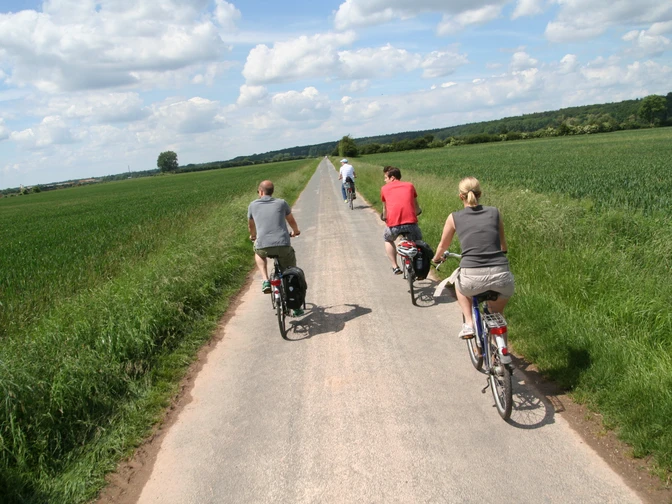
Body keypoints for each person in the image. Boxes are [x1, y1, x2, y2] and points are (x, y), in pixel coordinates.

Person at [431, 176, 514, 339]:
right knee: (498, 316)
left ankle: (469, 323)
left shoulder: (454, 217)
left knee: (459, 285)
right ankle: (502, 355)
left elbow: (443, 245)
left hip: (472, 277)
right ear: (480, 193)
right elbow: (503, 243)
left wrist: (436, 259)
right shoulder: (495, 212)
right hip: (502, 275)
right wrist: (502, 250)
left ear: (460, 196)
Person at [247, 180, 303, 315]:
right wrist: (295, 231)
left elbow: (251, 225)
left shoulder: (253, 205)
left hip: (263, 245)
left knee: (259, 253)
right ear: (272, 192)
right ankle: (295, 307)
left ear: (260, 192)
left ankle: (266, 280)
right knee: (290, 273)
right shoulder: (281, 203)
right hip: (283, 245)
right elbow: (291, 221)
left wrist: (253, 236)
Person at [380, 165, 423, 275]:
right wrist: (418, 211)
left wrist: (384, 217)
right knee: (418, 241)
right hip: (411, 224)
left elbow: (385, 209)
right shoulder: (410, 186)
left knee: (388, 239)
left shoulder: (384, 189)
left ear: (392, 178)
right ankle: (417, 265)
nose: (385, 180)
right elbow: (415, 205)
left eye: (386, 178)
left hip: (394, 225)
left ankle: (395, 266)